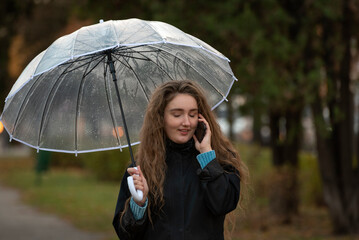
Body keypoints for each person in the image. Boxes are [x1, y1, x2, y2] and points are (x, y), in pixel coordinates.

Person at [113, 80, 248, 240]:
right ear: (160, 118)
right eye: (177, 115)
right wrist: (139, 204)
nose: (186, 122)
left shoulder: (219, 161)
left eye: (192, 114)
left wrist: (207, 155)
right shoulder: (140, 172)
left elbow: (223, 204)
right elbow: (125, 234)